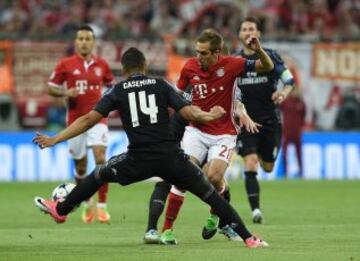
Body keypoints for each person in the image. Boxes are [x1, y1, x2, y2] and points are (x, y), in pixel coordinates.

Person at [33, 47, 269, 249]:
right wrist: (209, 116)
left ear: (123, 70)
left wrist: (55, 139)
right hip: (172, 158)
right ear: (144, 66)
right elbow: (188, 112)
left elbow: (87, 120)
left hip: (138, 159)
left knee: (98, 174)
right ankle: (250, 239)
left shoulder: (117, 90)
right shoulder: (161, 85)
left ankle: (61, 210)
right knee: (211, 196)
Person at [158, 28, 273, 244]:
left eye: (203, 53)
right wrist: (191, 109)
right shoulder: (190, 66)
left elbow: (267, 67)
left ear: (216, 52)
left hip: (224, 134)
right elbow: (180, 92)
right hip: (196, 130)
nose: (198, 57)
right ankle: (167, 231)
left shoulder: (232, 64)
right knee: (182, 176)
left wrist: (259, 51)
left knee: (213, 177)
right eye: (197, 51)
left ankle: (215, 215)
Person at [47, 25, 115, 223]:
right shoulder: (65, 64)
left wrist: (107, 101)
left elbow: (111, 86)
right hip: (75, 122)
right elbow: (51, 88)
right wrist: (65, 93)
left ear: (93, 42)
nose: (84, 42)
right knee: (81, 165)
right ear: (76, 42)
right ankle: (87, 202)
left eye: (88, 39)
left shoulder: (102, 64)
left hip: (97, 118)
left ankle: (102, 206)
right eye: (81, 38)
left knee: (101, 158)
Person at [235, 17, 296, 223]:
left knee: (268, 167)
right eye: (244, 29)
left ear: (258, 34)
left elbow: (289, 80)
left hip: (270, 121)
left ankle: (262, 155)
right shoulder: (235, 61)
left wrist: (283, 93)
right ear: (239, 35)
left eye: (251, 29)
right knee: (250, 163)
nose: (248, 32)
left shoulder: (271, 56)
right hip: (245, 122)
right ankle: (256, 211)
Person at [280, 88, 306, 178]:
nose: (295, 93)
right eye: (294, 91)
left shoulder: (301, 103)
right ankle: (286, 172)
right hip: (286, 132)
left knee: (299, 153)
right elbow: (277, 108)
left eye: (296, 91)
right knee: (285, 152)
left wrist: (300, 127)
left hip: (297, 133)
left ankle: (301, 172)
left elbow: (303, 116)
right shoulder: (286, 102)